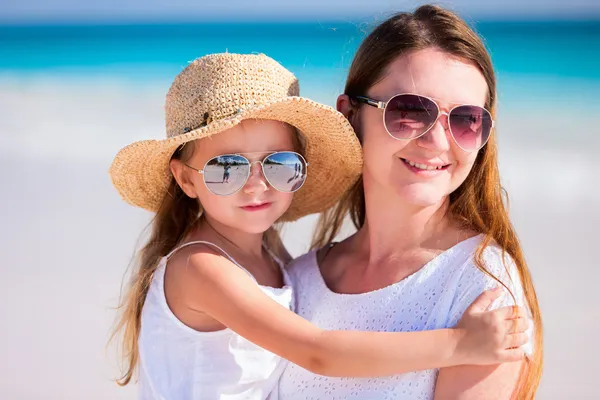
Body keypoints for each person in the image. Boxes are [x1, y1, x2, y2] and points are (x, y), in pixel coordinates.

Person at [109, 53, 530, 400]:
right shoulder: (200, 267)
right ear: (185, 178)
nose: (256, 184)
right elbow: (318, 352)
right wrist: (458, 344)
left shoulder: (275, 260)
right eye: (227, 168)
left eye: (279, 164)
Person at [278, 5, 542, 400]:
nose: (437, 141)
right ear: (350, 115)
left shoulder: (483, 289)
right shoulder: (296, 281)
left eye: (466, 119)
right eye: (410, 111)